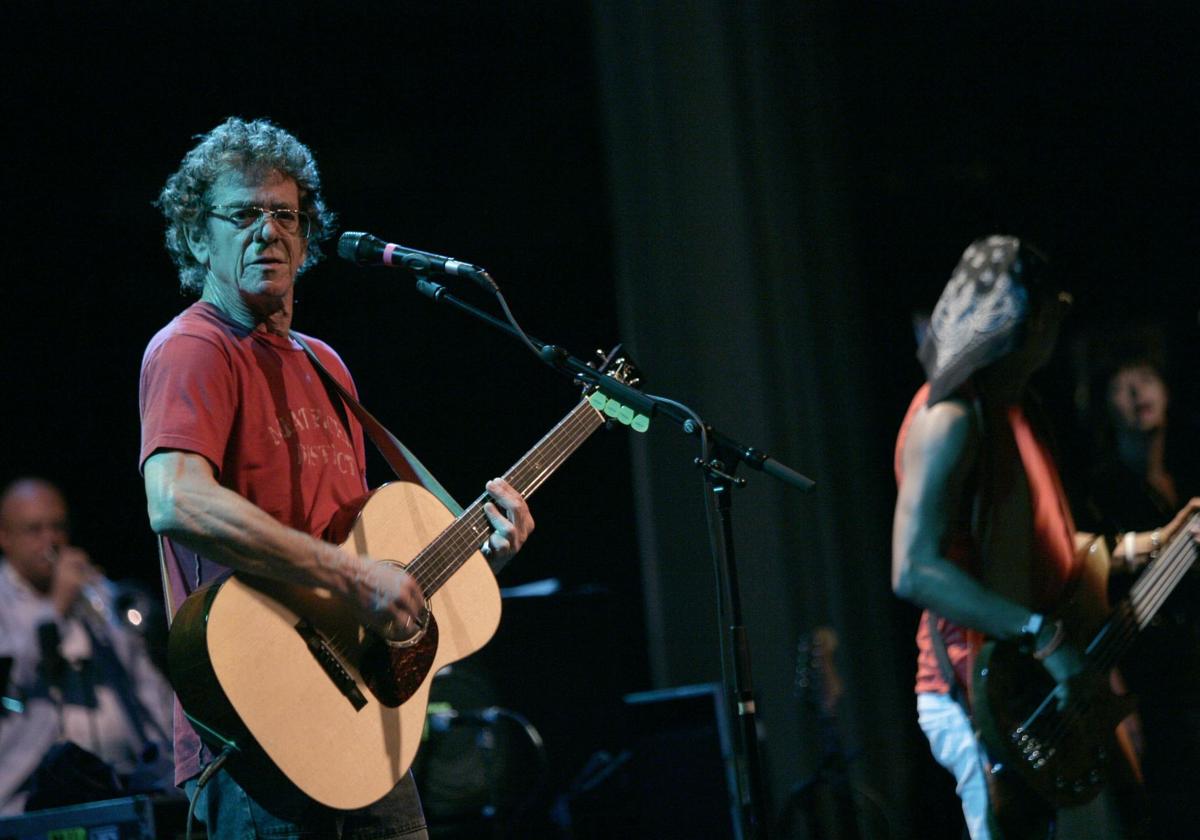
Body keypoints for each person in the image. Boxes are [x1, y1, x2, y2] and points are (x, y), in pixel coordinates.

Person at [139, 117, 534, 839]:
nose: (268, 232)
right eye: (244, 214)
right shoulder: (194, 346)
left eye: (284, 215)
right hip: (258, 724)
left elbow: (368, 552)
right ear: (199, 237)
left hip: (362, 720)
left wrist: (479, 556)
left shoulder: (325, 364)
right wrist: (348, 579)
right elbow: (176, 499)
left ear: (308, 236)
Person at [890, 236, 1198, 839]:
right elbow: (913, 569)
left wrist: (1149, 545)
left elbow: (1045, 548)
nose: (1062, 313)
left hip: (1045, 685)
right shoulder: (949, 417)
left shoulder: (1019, 408)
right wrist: (1043, 636)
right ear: (1021, 321)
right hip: (989, 696)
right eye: (1051, 305)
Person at [1076, 326, 1200, 833]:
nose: (1136, 391)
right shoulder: (1098, 494)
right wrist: (1114, 689)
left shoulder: (1188, 473)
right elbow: (1091, 598)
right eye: (1121, 383)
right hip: (1150, 683)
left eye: (1145, 377)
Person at [0, 478, 174, 815]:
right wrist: (57, 611)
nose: (50, 540)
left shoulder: (93, 594)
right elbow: (13, 682)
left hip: (119, 783)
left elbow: (145, 686)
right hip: (27, 794)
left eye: (58, 527)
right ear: (5, 537)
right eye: (34, 530)